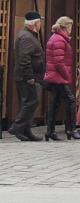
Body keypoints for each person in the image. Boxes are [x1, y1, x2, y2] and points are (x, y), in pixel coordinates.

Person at [43, 16, 80, 141]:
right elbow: (59, 62)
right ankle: (71, 129)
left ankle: (50, 131)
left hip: (54, 76)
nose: (71, 29)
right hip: (58, 77)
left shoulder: (56, 38)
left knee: (55, 103)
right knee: (70, 100)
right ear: (66, 27)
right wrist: (67, 75)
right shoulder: (60, 40)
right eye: (70, 27)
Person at [10, 11, 46, 141]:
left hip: (28, 75)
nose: (40, 24)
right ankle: (17, 127)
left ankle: (26, 131)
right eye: (39, 22)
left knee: (29, 102)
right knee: (32, 101)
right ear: (35, 23)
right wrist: (29, 76)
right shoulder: (26, 37)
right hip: (26, 77)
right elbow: (24, 58)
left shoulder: (29, 35)